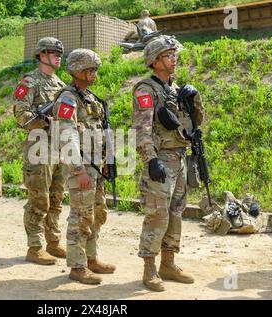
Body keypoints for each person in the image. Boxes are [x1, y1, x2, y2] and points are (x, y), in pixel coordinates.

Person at [132, 35, 204, 292]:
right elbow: (141, 129)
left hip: (180, 157)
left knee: (175, 212)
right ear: (155, 60)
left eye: (175, 55)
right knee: (157, 214)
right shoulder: (145, 90)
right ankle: (149, 268)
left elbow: (195, 124)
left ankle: (168, 263)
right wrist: (150, 159)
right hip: (160, 159)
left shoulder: (175, 89)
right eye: (169, 55)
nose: (174, 59)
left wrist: (194, 97)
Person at [52, 48, 116, 285]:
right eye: (90, 69)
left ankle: (91, 258)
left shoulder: (88, 97)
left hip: (96, 167)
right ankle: (77, 266)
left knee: (97, 213)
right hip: (81, 168)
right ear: (77, 70)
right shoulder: (68, 98)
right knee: (80, 216)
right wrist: (78, 170)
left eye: (95, 70)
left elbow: (99, 131)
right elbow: (67, 135)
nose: (94, 74)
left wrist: (106, 161)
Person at [13, 37, 67, 265]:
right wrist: (45, 120)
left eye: (60, 53)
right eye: (55, 53)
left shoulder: (62, 85)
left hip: (59, 148)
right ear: (42, 55)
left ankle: (52, 241)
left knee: (56, 198)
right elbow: (20, 116)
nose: (58, 57)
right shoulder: (30, 82)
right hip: (39, 147)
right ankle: (35, 247)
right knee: (39, 199)